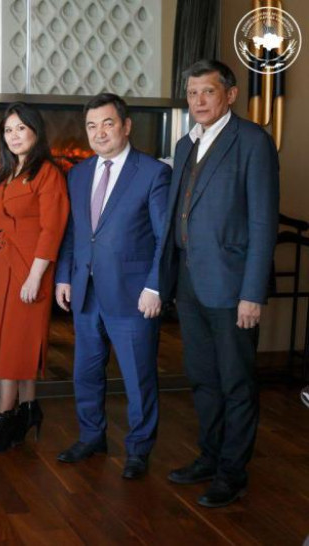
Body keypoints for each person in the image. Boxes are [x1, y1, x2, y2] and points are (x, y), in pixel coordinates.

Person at [160, 59, 279, 507]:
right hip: (190, 282)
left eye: (208, 92)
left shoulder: (252, 141)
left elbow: (263, 222)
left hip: (233, 287)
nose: (198, 101)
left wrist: (252, 292)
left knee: (236, 382)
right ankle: (209, 457)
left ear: (230, 94)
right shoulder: (185, 143)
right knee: (202, 378)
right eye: (192, 93)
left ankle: (232, 473)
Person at [55, 93, 170, 479]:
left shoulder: (153, 172)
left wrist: (155, 287)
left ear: (126, 126)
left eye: (107, 123)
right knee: (85, 373)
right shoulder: (78, 174)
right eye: (92, 126)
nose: (99, 132)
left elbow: (164, 237)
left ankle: (138, 450)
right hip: (86, 292)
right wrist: (64, 276)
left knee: (138, 377)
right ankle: (92, 437)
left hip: (134, 296)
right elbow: (74, 232)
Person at [0, 103, 69, 454]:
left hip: (31, 269)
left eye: (21, 128)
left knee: (16, 344)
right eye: (8, 130)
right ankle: (30, 407)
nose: (14, 136)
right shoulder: (5, 172)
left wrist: (35, 277)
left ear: (36, 130)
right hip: (1, 266)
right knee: (6, 338)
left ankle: (5, 416)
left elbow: (52, 229)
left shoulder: (48, 173)